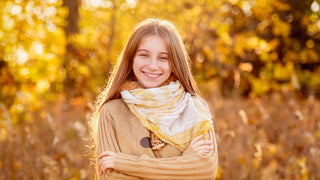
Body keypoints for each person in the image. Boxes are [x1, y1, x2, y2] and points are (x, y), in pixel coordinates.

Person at [89, 18, 218, 179]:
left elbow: (205, 171)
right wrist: (185, 163)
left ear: (174, 63)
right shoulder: (111, 112)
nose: (152, 66)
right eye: (144, 55)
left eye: (163, 58)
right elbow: (113, 177)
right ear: (131, 59)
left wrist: (125, 163)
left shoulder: (194, 109)